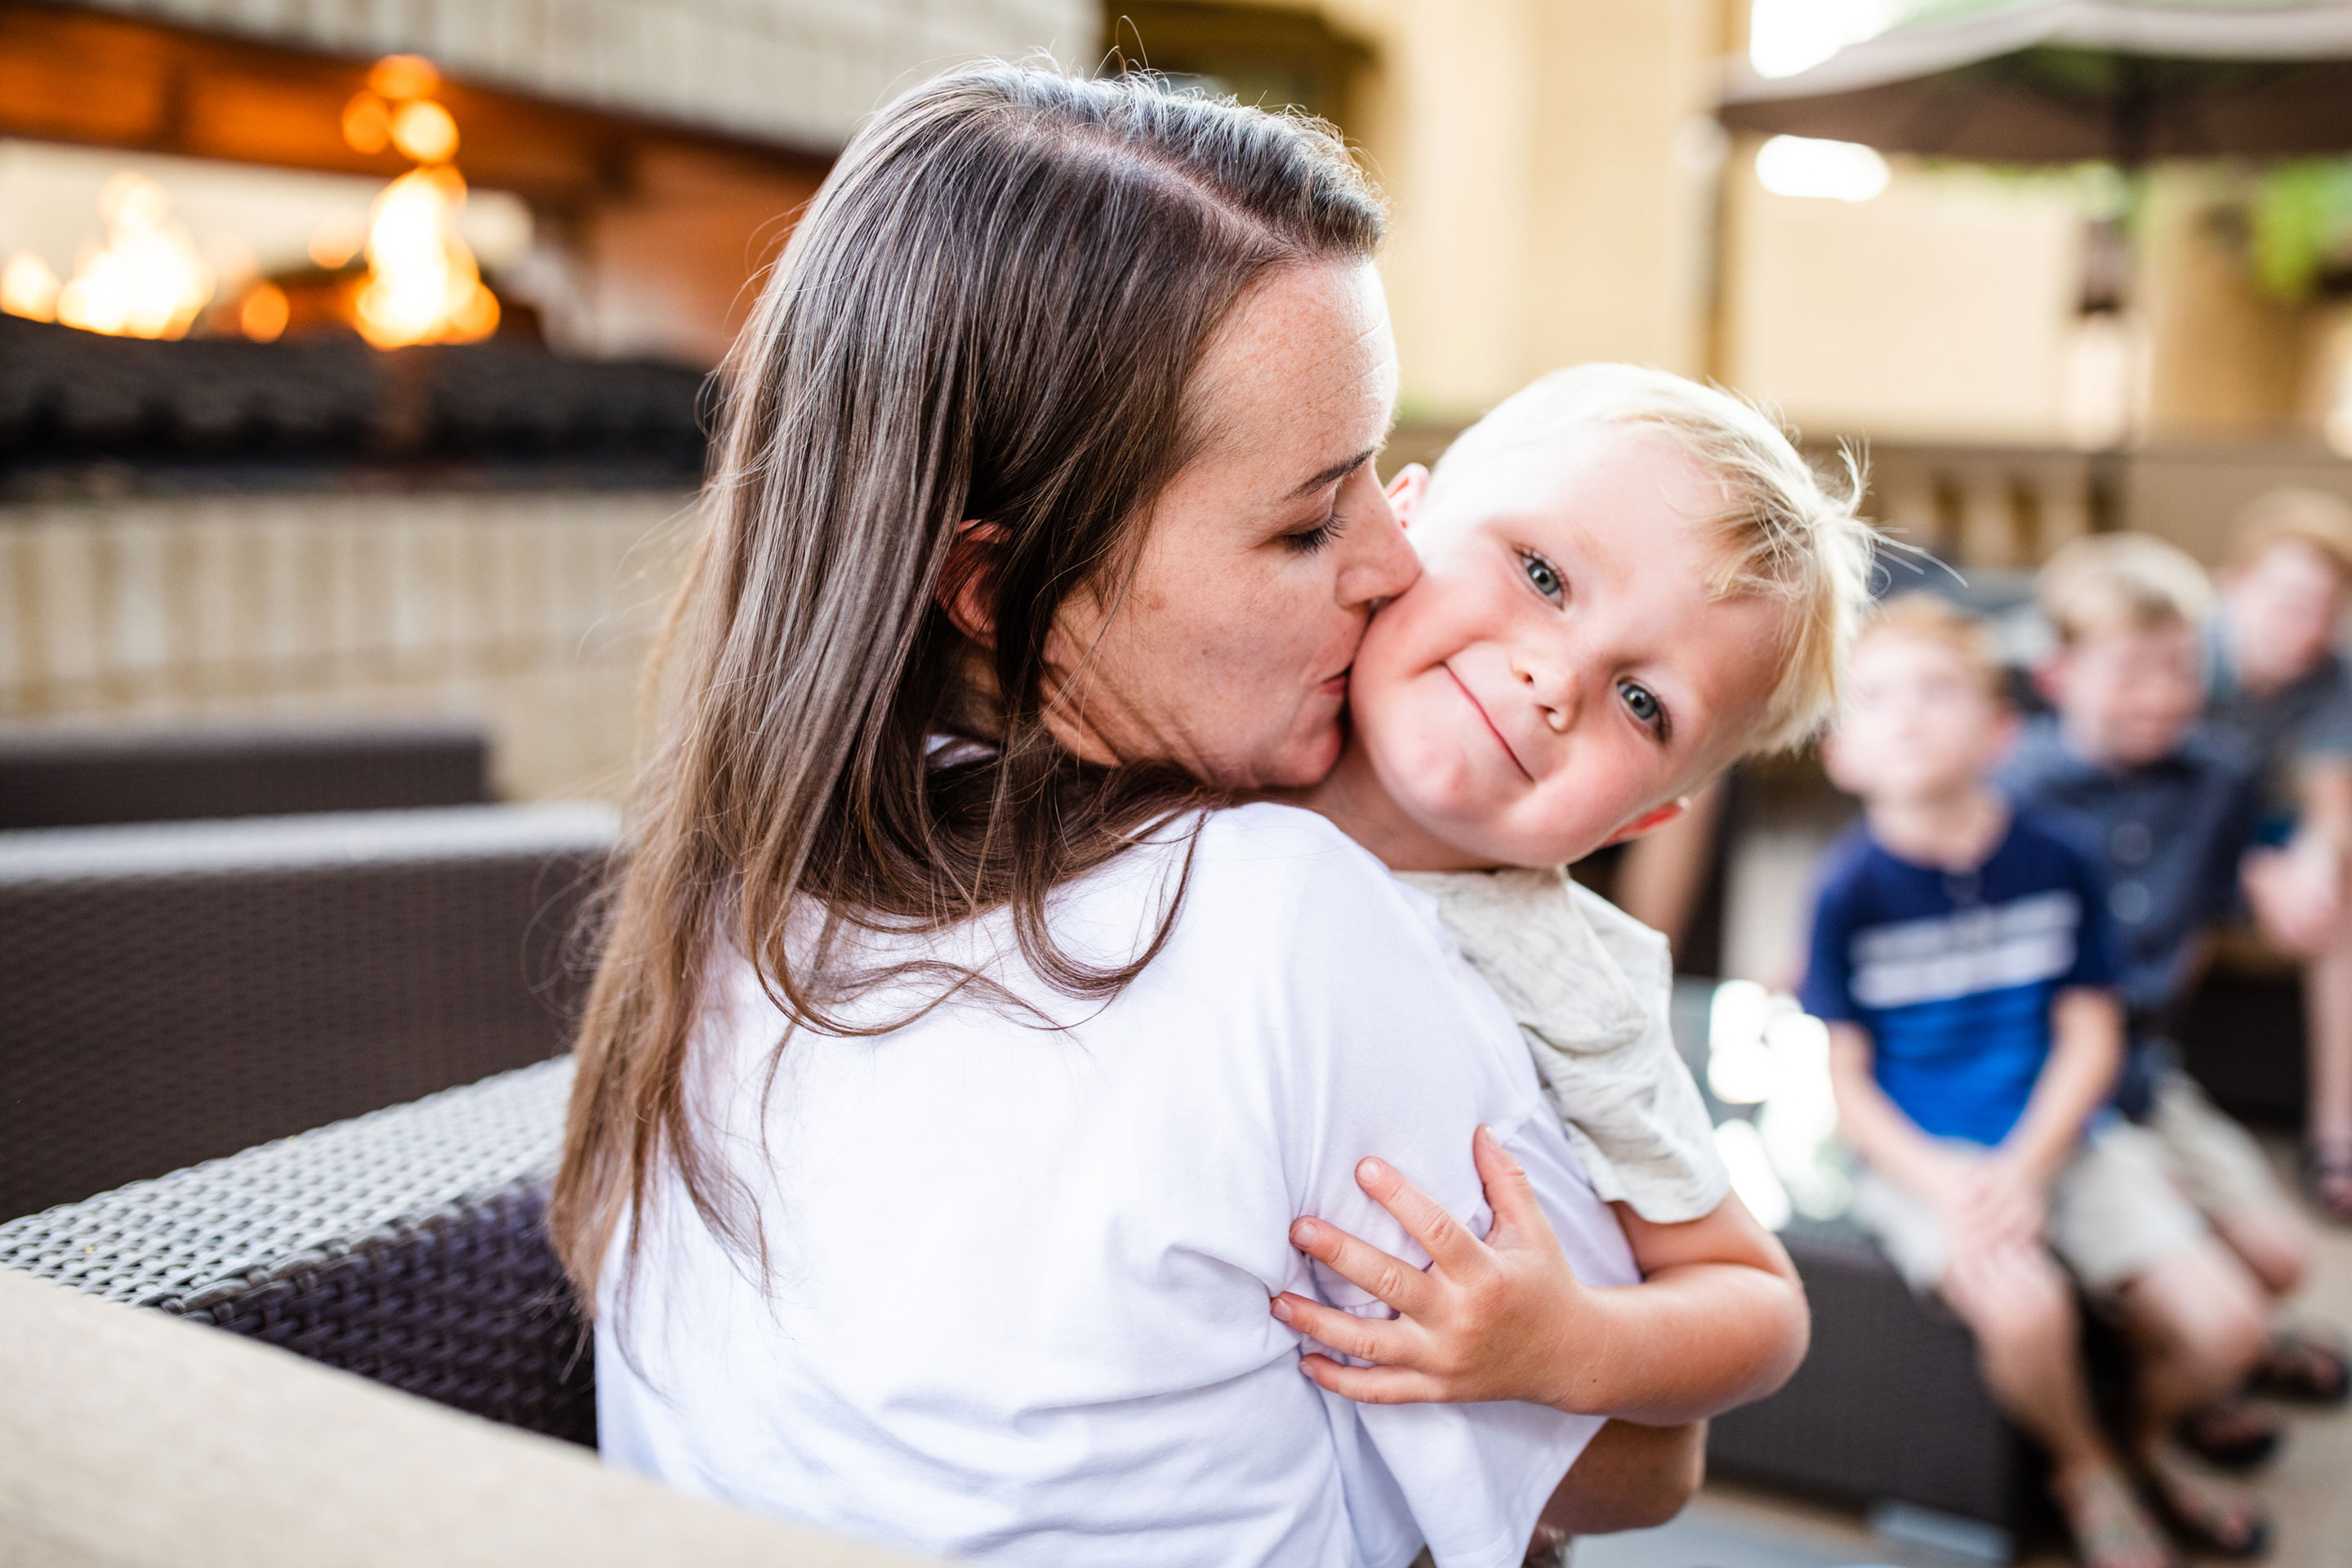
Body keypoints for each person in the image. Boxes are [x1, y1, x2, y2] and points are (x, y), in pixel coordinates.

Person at [555, 65, 1767, 1568]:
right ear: (1000, 594)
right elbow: (1643, 1466)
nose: (1397, 563)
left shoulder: (747, 897)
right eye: (1311, 521)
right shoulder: (1280, 915)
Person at [1265, 368, 1861, 1455]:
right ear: (1401, 520)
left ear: (1638, 822)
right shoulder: (1202, 734)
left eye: (1645, 704)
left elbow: (1757, 1306)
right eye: (1542, 573)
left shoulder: (1570, 982)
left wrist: (1571, 1343)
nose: (1559, 678)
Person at [1806, 595, 2270, 1568]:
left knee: (2227, 1329)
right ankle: (2086, 1466)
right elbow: (1845, 1078)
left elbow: (2090, 1033)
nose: (1906, 714)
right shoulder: (1846, 892)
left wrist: (2027, 1165)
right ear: (1838, 751)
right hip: (1929, 1160)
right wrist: (1950, 1183)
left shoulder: (2058, 860)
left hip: (2065, 1138)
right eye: (1874, 698)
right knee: (2025, 1308)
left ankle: (2140, 1445)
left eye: (1937, 690)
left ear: (2003, 730)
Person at [2002, 534, 2342, 1467]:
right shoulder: (2011, 794)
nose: (2161, 697)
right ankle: (2150, 1428)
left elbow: (2214, 901)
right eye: (2131, 673)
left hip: (2149, 1068)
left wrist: (2279, 869)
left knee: (2285, 1260)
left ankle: (2188, 1344)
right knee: (2222, 1316)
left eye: (2182, 670)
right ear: (2059, 673)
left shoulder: (2220, 775)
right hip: (2053, 1084)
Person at [2206, 489, 2352, 1222]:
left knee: (2342, 902)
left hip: (2258, 829)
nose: (2309, 626)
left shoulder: (2330, 672)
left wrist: (2313, 865)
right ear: (2236, 586)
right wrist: (2254, 874)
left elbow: (2330, 803)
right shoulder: (2185, 656)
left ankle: (2337, 1134)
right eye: (2291, 601)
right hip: (2171, 834)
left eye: (2327, 608)